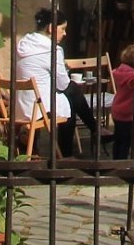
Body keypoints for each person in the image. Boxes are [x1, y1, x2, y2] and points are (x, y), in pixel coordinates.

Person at [13, 9, 85, 155]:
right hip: (40, 108)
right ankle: (65, 153)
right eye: (63, 29)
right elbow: (63, 84)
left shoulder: (23, 44)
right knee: (69, 101)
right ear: (51, 28)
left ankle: (95, 128)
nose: (65, 33)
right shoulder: (53, 50)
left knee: (71, 93)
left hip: (21, 106)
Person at [109, 42, 134, 159]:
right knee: (126, 141)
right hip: (127, 113)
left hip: (117, 110)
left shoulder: (120, 72)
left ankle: (116, 161)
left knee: (118, 139)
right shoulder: (133, 76)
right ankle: (122, 163)